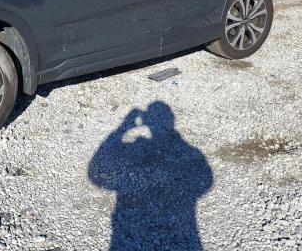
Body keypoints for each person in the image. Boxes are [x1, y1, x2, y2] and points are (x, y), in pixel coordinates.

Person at [89, 101, 213, 250]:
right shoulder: (190, 151)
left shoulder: (187, 151)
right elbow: (206, 181)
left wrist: (123, 128)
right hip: (182, 232)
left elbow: (96, 173)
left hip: (130, 232)